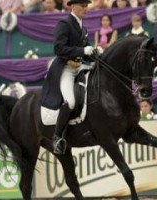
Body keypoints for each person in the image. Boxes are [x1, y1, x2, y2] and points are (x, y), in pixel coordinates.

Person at [41, 0, 103, 154]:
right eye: (82, 5)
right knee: (70, 101)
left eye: (86, 5)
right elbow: (59, 48)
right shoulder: (64, 23)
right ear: (72, 6)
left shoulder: (83, 27)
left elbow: (86, 51)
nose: (85, 8)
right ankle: (57, 137)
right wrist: (82, 51)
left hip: (80, 66)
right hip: (66, 69)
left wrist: (96, 53)